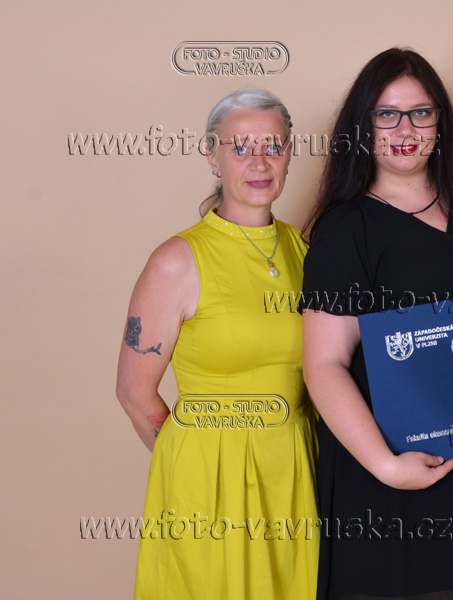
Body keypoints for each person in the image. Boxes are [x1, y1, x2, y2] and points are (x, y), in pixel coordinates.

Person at [300, 48, 453, 600]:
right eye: (387, 114)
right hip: (398, 464)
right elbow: (324, 364)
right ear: (363, 126)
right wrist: (386, 466)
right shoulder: (347, 228)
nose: (405, 130)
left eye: (420, 113)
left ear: (440, 122)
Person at [116, 88, 318, 599]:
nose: (259, 162)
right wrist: (195, 461)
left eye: (273, 146)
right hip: (210, 480)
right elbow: (134, 392)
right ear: (212, 155)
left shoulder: (304, 250)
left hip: (295, 471)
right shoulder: (177, 260)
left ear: (290, 154)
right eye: (240, 147)